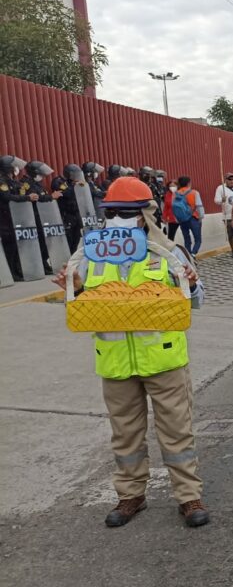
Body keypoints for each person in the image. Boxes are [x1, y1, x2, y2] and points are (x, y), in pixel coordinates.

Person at [53, 177, 209, 527]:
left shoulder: (168, 253)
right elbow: (77, 305)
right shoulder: (89, 257)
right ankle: (130, 496)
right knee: (125, 434)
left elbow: (196, 302)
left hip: (164, 358)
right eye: (114, 212)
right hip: (115, 362)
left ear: (145, 216)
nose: (120, 219)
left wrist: (192, 283)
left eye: (127, 212)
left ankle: (189, 497)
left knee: (177, 431)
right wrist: (73, 288)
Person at [23, 160, 57, 274]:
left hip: (43, 216)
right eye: (40, 174)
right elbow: (38, 197)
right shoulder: (26, 183)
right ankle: (41, 264)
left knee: (46, 241)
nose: (42, 177)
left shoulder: (38, 184)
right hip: (34, 217)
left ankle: (44, 262)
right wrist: (51, 197)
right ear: (34, 173)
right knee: (41, 241)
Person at [0, 155, 31, 281]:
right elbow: (7, 197)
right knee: (10, 247)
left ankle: (17, 271)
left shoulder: (13, 181)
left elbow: (20, 193)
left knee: (16, 247)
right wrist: (26, 198)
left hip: (15, 219)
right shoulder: (2, 181)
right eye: (14, 166)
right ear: (8, 168)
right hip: (5, 220)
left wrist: (25, 194)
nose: (16, 168)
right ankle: (11, 273)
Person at [50, 163, 85, 253]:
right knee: (68, 240)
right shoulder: (58, 181)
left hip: (76, 215)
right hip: (66, 215)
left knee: (76, 239)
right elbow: (66, 193)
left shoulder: (73, 183)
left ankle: (72, 260)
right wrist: (75, 186)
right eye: (74, 175)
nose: (76, 177)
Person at [172, 176, 204, 255]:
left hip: (182, 219)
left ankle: (188, 255)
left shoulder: (175, 194)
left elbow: (174, 207)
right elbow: (199, 206)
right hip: (194, 217)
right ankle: (193, 254)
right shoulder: (194, 192)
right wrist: (201, 217)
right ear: (189, 183)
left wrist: (177, 218)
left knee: (187, 239)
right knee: (198, 239)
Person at [215, 173, 233, 257]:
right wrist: (221, 200)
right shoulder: (220, 188)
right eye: (229, 179)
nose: (232, 181)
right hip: (227, 215)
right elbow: (216, 200)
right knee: (230, 234)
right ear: (225, 180)